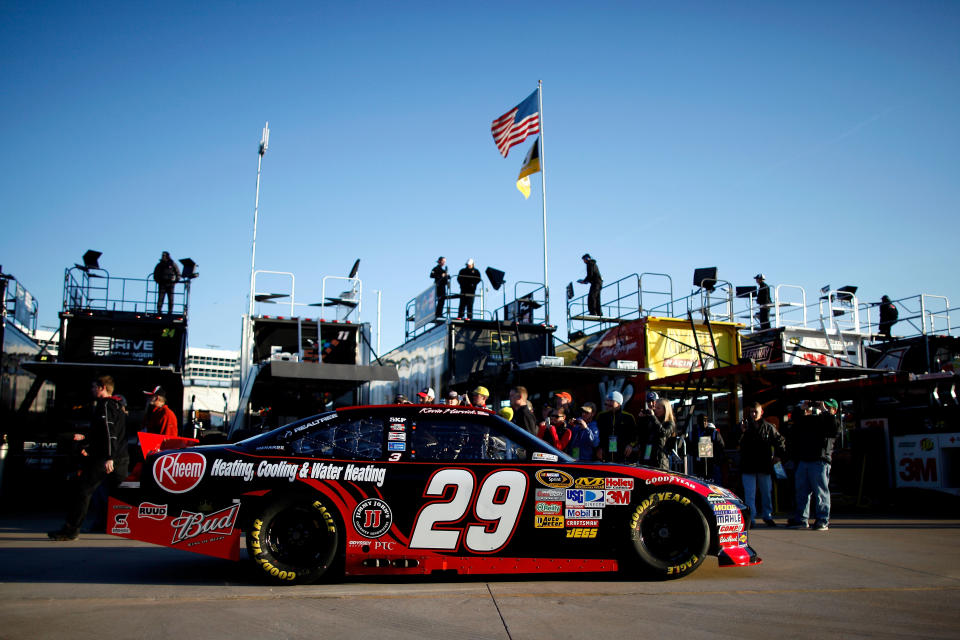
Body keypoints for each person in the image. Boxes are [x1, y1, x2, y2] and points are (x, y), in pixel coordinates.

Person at [49, 375, 129, 541]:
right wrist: (88, 447)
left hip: (106, 458)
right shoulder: (117, 405)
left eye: (94, 387)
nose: (91, 390)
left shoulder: (105, 405)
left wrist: (109, 457)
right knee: (124, 492)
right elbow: (104, 434)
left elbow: (109, 432)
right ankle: (135, 526)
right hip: (120, 457)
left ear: (102, 387)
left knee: (84, 491)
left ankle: (71, 530)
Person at [788, 399, 842, 531]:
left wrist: (825, 412)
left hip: (820, 460)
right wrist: (802, 408)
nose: (823, 408)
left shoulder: (832, 421)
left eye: (828, 407)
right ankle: (801, 519)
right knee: (802, 492)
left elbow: (834, 429)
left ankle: (822, 520)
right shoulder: (811, 420)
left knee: (820, 492)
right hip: (804, 459)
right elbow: (796, 421)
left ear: (834, 410)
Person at [738, 402, 787, 527]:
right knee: (750, 494)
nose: (753, 414)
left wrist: (778, 456)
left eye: (756, 412)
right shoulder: (744, 427)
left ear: (761, 412)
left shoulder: (768, 427)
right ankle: (751, 518)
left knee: (766, 492)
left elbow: (780, 441)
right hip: (748, 465)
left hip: (763, 465)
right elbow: (734, 441)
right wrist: (742, 432)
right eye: (751, 412)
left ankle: (767, 515)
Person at [632, 395, 675, 470]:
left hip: (659, 460)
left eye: (658, 408)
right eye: (655, 407)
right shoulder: (651, 420)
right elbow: (639, 434)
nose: (655, 410)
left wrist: (653, 417)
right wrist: (641, 419)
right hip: (646, 457)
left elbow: (663, 433)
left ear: (665, 410)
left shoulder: (669, 423)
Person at [595, 390, 636, 462]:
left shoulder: (628, 417)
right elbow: (597, 435)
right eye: (607, 400)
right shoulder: (601, 416)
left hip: (623, 455)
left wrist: (631, 445)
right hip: (605, 455)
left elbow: (635, 434)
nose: (607, 403)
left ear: (619, 403)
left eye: (611, 401)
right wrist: (598, 448)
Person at [691, 413, 726, 485]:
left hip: (713, 464)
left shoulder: (713, 432)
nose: (704, 422)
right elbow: (690, 447)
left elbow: (721, 446)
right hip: (700, 464)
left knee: (715, 485)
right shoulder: (694, 433)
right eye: (701, 421)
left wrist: (717, 460)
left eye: (705, 420)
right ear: (698, 422)